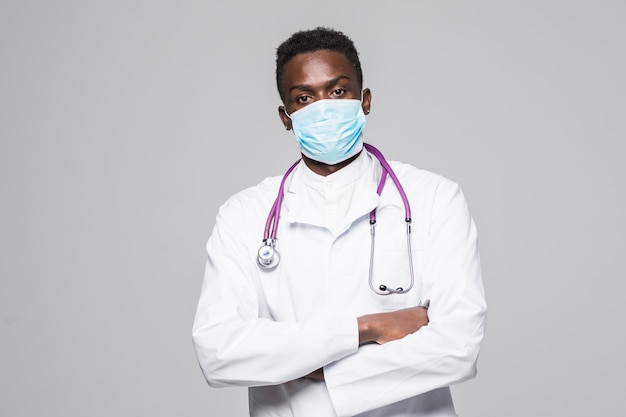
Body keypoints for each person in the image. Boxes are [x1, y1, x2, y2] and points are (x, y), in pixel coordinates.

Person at [192, 27, 487, 417]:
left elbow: (458, 346)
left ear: (364, 101)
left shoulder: (434, 198)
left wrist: (305, 363)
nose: (323, 107)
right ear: (286, 118)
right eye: (304, 98)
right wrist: (366, 329)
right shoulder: (244, 214)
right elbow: (219, 351)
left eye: (337, 91)